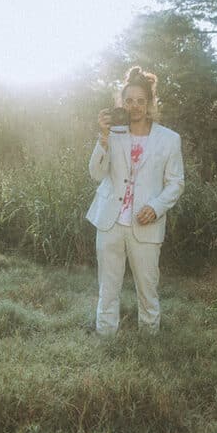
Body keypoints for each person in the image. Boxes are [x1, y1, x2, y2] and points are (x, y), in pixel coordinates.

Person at [86, 66, 184, 335]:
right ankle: (105, 336)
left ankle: (150, 339)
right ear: (121, 103)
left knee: (148, 287)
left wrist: (155, 207)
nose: (135, 107)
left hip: (145, 223)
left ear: (150, 103)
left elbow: (176, 183)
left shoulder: (169, 139)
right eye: (129, 101)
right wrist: (103, 138)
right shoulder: (114, 134)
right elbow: (96, 174)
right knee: (108, 286)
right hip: (110, 221)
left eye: (141, 101)